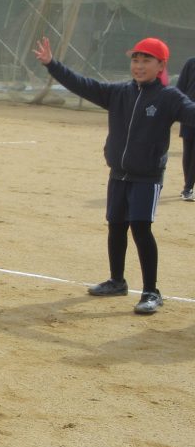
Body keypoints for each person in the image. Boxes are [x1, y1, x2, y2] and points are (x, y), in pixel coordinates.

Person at [34, 35, 195, 315]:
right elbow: (82, 85)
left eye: (146, 60)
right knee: (116, 226)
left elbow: (191, 112)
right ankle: (117, 281)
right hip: (118, 174)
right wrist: (52, 64)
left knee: (141, 228)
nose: (139, 65)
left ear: (161, 66)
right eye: (135, 60)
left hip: (146, 177)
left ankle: (151, 291)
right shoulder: (119, 93)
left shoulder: (169, 97)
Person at [176, 55, 195, 201]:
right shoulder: (191, 62)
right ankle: (187, 187)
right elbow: (180, 87)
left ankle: (188, 187)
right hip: (189, 112)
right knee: (188, 151)